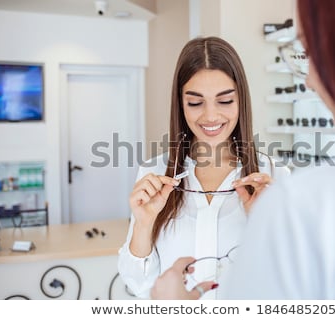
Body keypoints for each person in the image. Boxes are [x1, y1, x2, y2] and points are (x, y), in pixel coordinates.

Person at [150, 0, 335, 299]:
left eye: (310, 53)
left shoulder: (296, 198)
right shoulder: (156, 174)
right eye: (195, 102)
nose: (309, 80)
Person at [118, 36, 291, 299]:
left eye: (224, 101)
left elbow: (290, 285)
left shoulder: (276, 178)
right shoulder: (153, 173)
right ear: (181, 104)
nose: (210, 116)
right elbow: (138, 286)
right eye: (196, 102)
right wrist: (143, 225)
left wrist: (266, 224)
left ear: (241, 101)